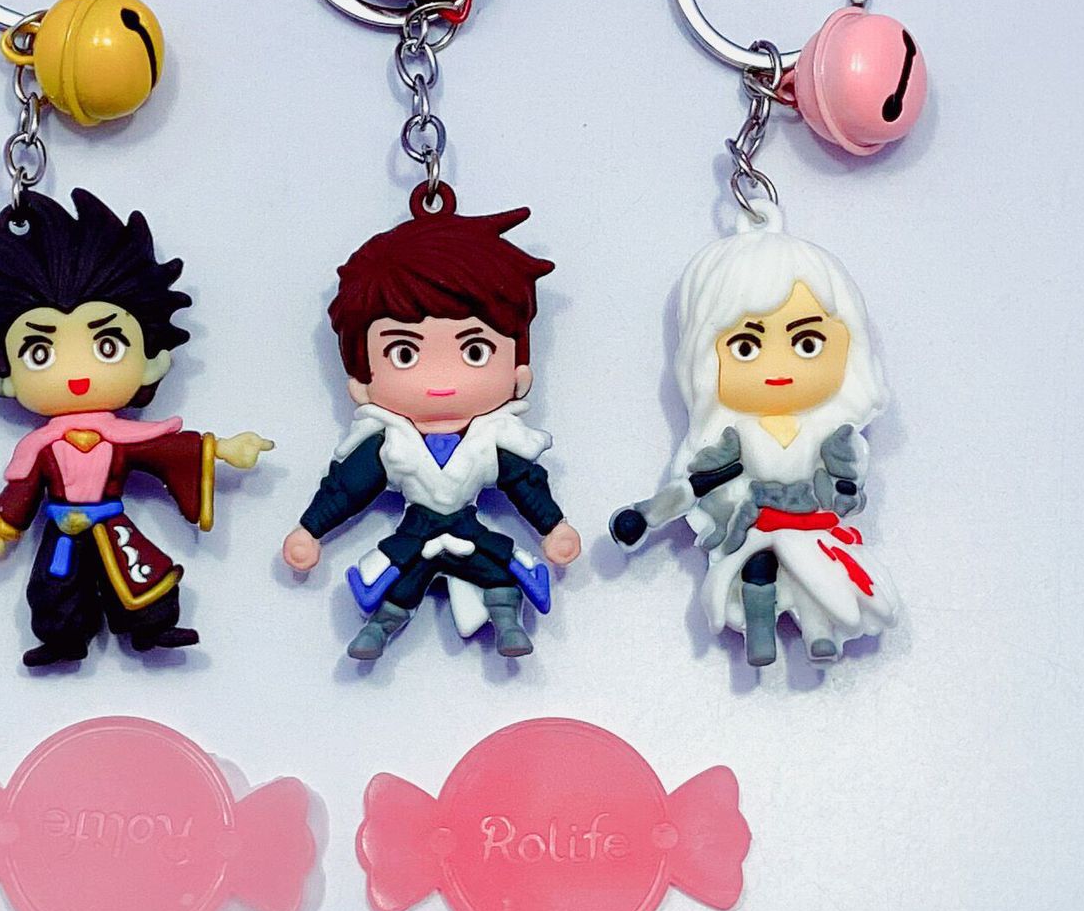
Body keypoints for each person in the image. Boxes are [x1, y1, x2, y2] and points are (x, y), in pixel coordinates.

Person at [0, 189, 271, 667]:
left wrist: (222, 449)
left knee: (143, 577)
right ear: (2, 374)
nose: (77, 374)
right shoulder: (39, 449)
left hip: (109, 522)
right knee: (54, 587)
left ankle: (152, 627)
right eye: (40, 353)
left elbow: (166, 449)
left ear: (150, 360)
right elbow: (21, 494)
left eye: (106, 346)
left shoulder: (122, 439)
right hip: (63, 528)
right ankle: (62, 638)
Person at [281, 190, 580, 661]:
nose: (441, 382)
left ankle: (507, 620)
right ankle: (379, 628)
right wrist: (309, 529)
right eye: (404, 353)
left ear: (519, 372)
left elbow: (526, 484)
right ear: (362, 381)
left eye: (475, 351)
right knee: (400, 578)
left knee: (497, 569)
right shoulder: (389, 444)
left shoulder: (493, 440)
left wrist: (553, 526)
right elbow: (347, 488)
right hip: (416, 532)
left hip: (467, 528)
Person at [609, 208, 897, 667]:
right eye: (746, 347)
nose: (779, 368)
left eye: (807, 344)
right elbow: (700, 483)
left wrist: (842, 487)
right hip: (758, 525)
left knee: (819, 581)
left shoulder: (829, 434)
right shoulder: (735, 437)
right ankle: (759, 631)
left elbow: (844, 480)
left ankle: (820, 633)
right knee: (756, 571)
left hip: (816, 526)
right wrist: (649, 514)